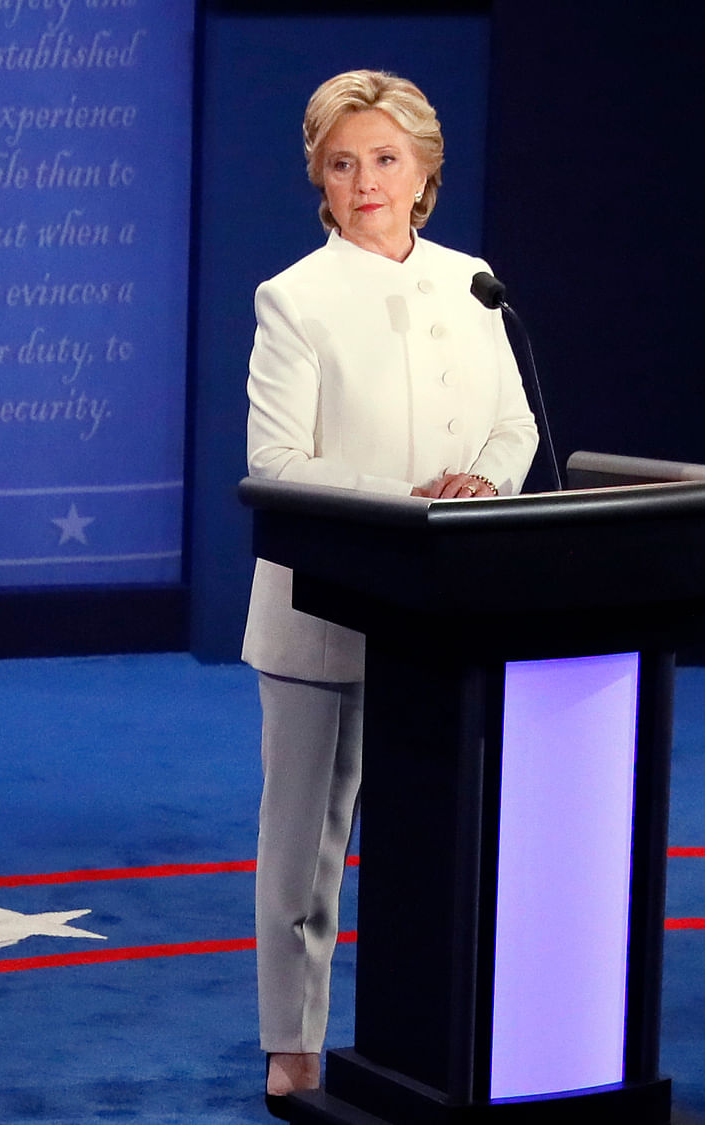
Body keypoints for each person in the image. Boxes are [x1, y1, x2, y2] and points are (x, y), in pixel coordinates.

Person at [242, 70, 538, 1105]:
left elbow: (513, 424)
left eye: (383, 160)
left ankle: (441, 1033)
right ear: (317, 179)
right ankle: (292, 1044)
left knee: (439, 842)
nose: (362, 181)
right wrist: (405, 500)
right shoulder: (293, 297)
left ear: (422, 175)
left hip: (448, 613)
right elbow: (275, 461)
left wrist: (481, 484)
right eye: (340, 162)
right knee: (305, 849)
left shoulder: (472, 280)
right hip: (324, 603)